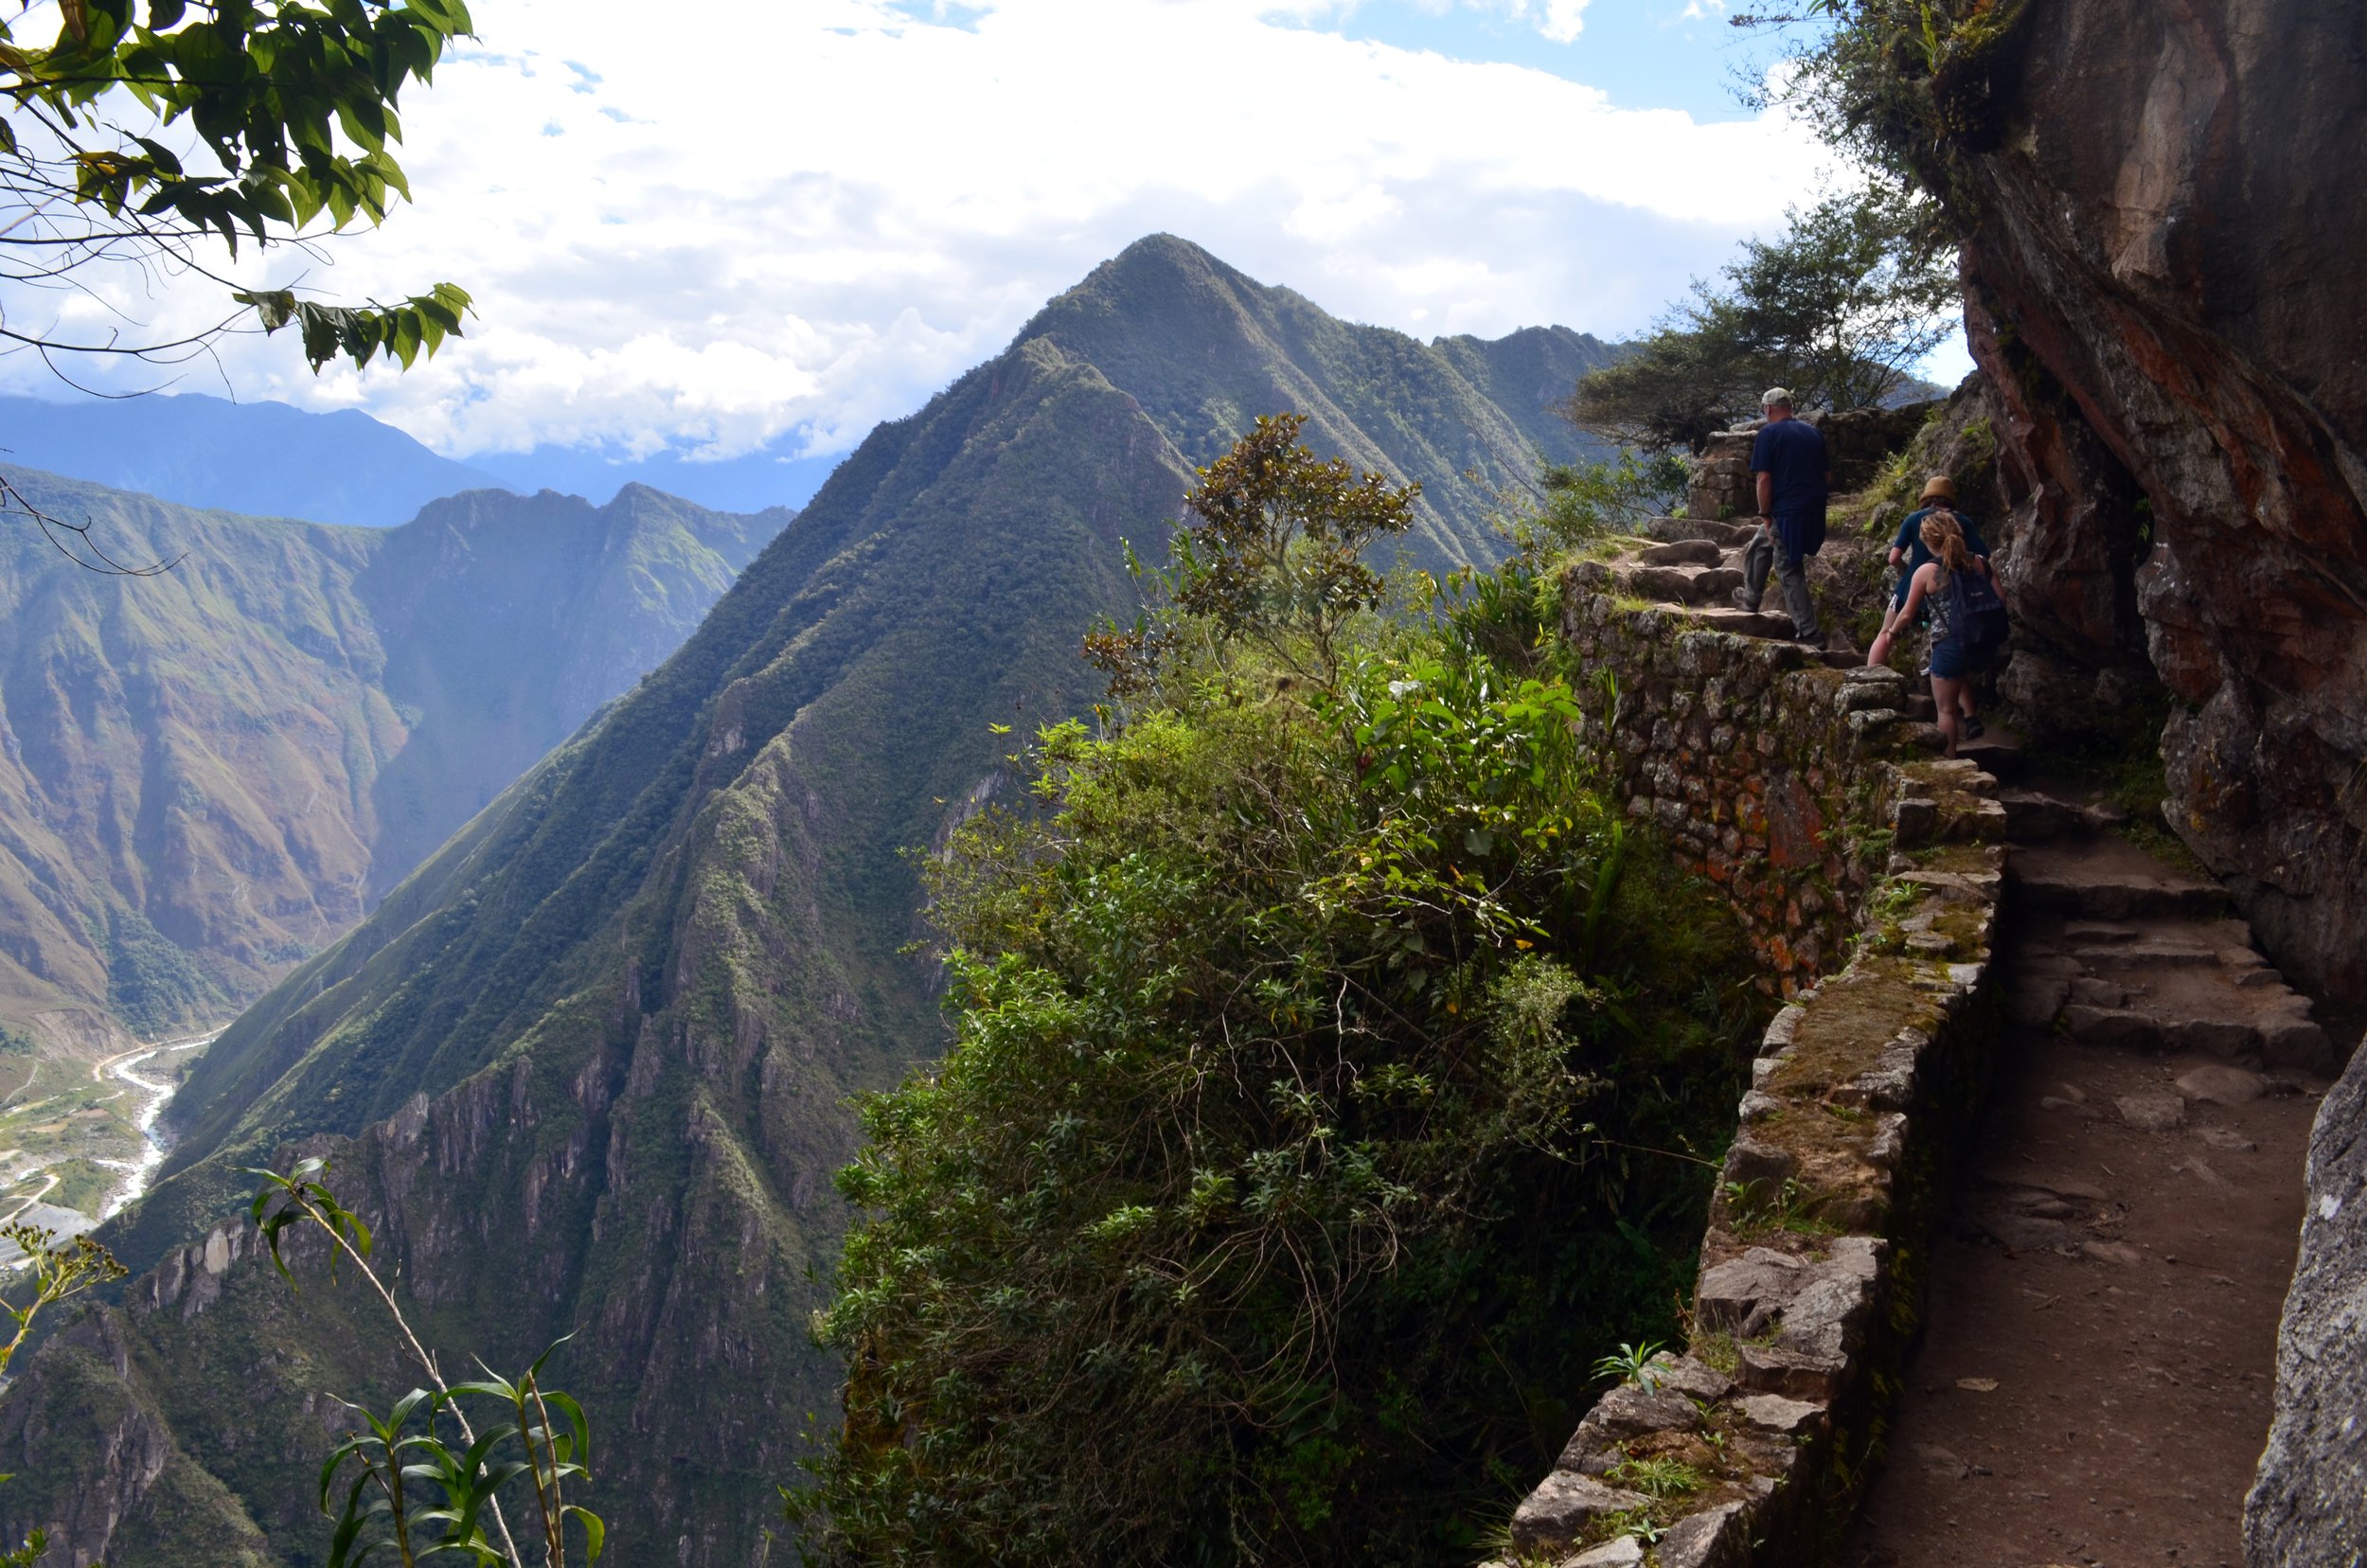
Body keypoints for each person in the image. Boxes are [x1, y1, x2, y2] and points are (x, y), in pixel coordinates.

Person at [1869, 510, 2002, 757]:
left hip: (1949, 645)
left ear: (1928, 541)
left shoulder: (1925, 572)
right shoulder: (1981, 563)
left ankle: (1951, 764)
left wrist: (1892, 634)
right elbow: (2001, 599)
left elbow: (1907, 614)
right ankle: (1972, 718)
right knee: (1959, 683)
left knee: (1946, 711)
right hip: (1983, 642)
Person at [1734, 387, 1827, 642]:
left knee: (1788, 568)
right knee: (1759, 544)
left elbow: (1764, 478)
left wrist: (1765, 513)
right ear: (1791, 407)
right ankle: (1751, 598)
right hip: (1814, 511)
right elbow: (1826, 475)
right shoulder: (1813, 433)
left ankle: (1809, 634)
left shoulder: (1769, 434)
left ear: (1768, 409)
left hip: (1787, 514)